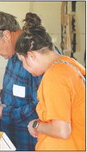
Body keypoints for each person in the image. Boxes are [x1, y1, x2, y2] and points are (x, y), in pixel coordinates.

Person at [15, 12, 85, 150]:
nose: (23, 67)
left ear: (31, 55)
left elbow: (62, 131)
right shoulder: (70, 65)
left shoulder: (55, 77)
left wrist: (35, 125)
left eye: (22, 61)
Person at [0, 11, 42, 150]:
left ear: (6, 35)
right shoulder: (13, 53)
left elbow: (43, 107)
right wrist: (0, 97)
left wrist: (4, 113)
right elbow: (22, 94)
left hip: (30, 143)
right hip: (11, 139)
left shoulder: (36, 56)